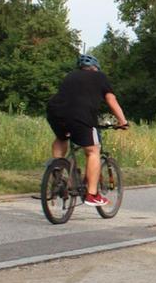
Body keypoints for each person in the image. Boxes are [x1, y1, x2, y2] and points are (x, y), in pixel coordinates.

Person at [46, 54, 129, 206]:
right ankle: (92, 194)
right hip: (80, 114)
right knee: (93, 150)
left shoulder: (71, 76)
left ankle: (56, 173)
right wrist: (123, 121)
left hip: (55, 111)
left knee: (61, 137)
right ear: (96, 68)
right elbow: (111, 100)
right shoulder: (100, 77)